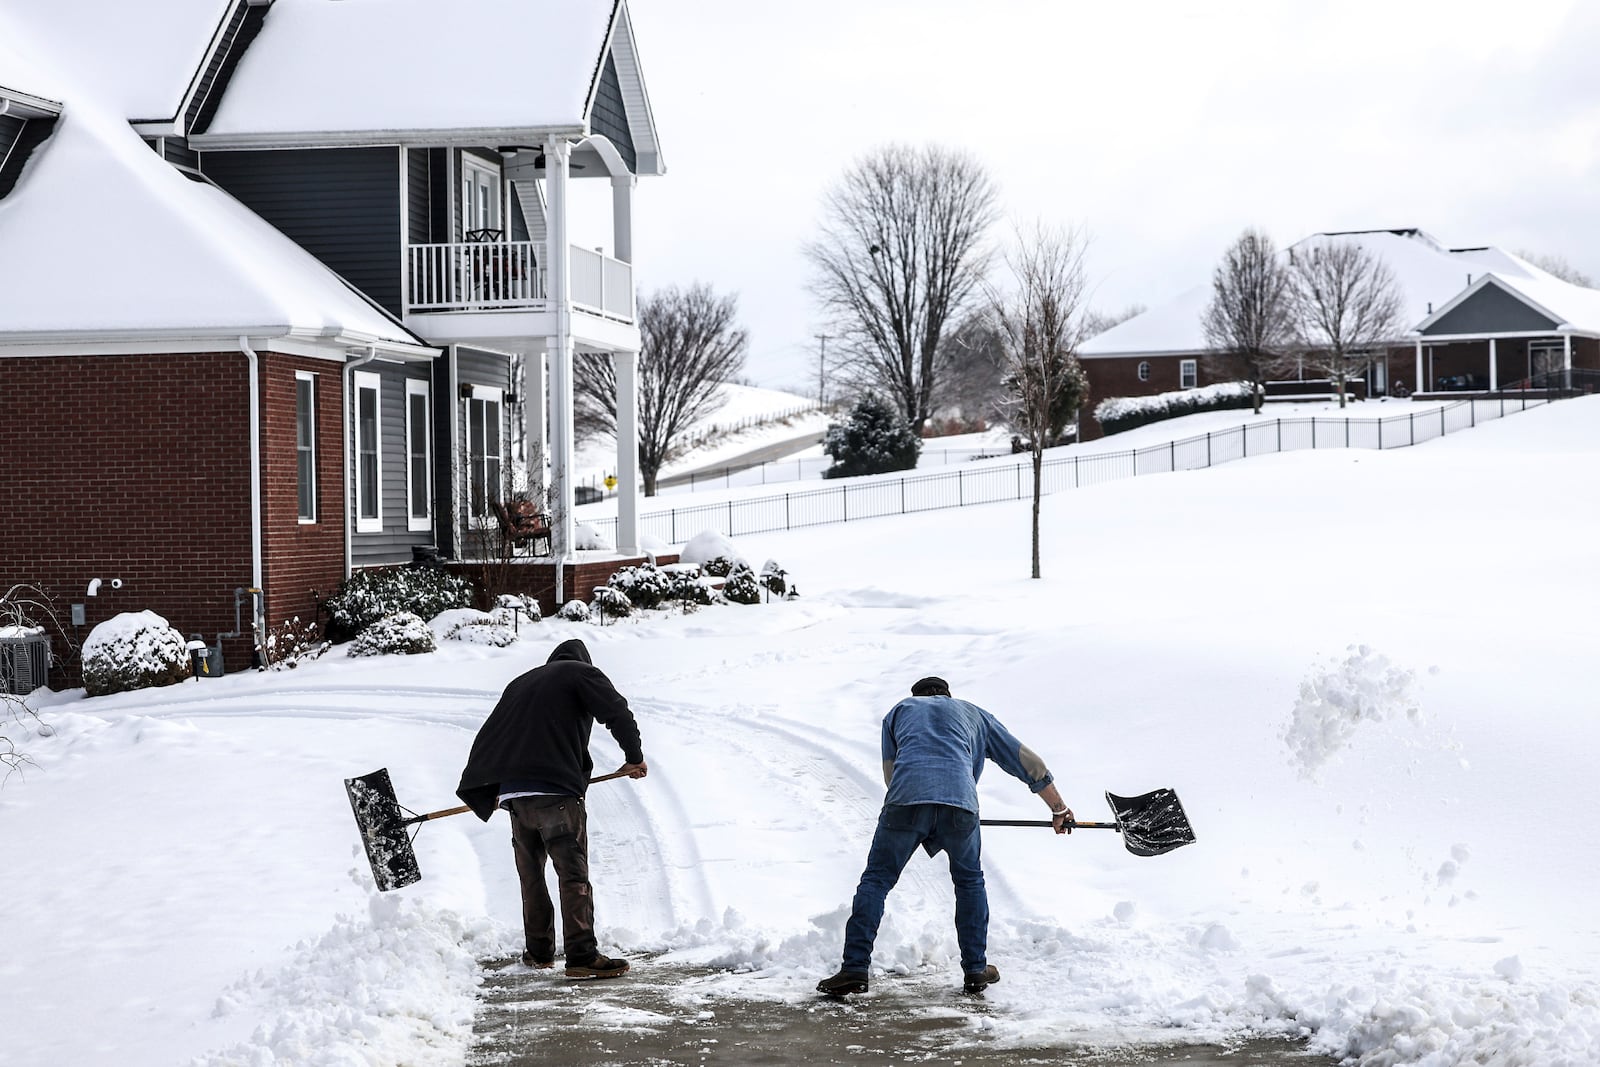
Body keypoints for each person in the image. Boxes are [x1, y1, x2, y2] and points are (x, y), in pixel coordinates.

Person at [818, 675, 1073, 997]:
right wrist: (1058, 809)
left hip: (905, 802)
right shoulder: (973, 714)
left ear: (917, 696)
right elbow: (1028, 763)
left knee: (876, 880)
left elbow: (890, 771)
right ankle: (976, 970)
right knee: (969, 882)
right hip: (961, 806)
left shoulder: (899, 711)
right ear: (948, 695)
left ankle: (854, 969)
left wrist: (919, 812)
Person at [457, 638, 648, 980]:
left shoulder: (521, 683)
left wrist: (490, 788)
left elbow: (490, 734)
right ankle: (582, 955)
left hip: (515, 796)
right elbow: (617, 712)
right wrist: (633, 757)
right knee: (572, 873)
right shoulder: (582, 673)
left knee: (531, 876)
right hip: (556, 793)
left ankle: (539, 952)